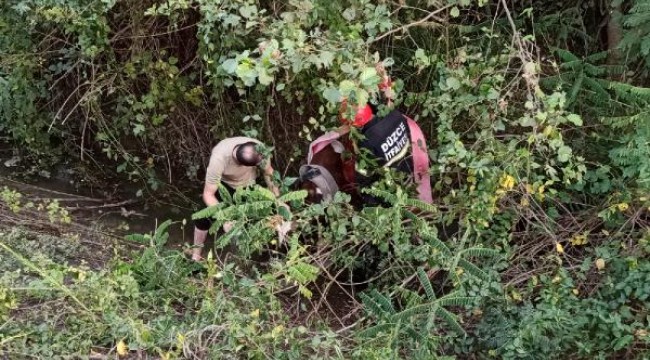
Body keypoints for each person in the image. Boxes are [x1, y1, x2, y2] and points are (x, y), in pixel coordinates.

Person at [191, 137, 279, 261]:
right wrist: (225, 218)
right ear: (241, 164)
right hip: (224, 186)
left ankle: (244, 258)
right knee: (202, 218)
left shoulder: (260, 150)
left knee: (249, 222)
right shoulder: (219, 158)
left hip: (248, 186)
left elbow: (269, 173)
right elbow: (208, 194)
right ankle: (196, 256)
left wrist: (278, 200)